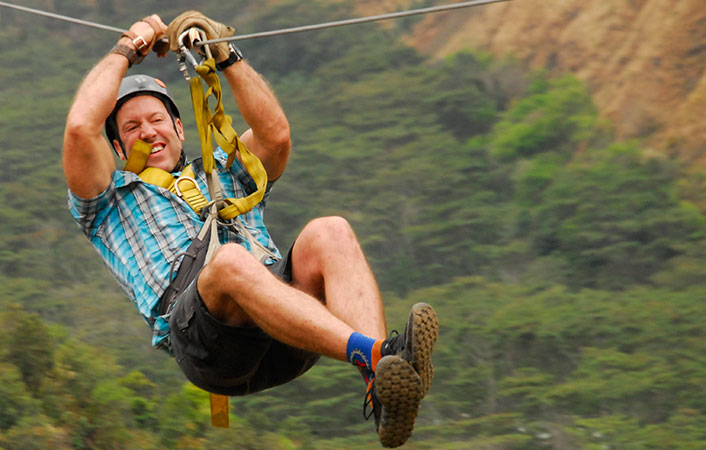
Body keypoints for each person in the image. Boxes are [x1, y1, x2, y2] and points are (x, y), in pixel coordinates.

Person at [62, 11, 439, 448]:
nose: (149, 131)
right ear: (116, 146)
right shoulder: (107, 200)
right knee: (229, 263)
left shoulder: (223, 175)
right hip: (208, 342)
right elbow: (78, 128)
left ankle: (382, 387)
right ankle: (379, 357)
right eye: (132, 127)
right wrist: (131, 46)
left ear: (179, 128)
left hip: (286, 323)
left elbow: (275, 137)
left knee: (330, 231)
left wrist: (224, 55)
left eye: (158, 120)